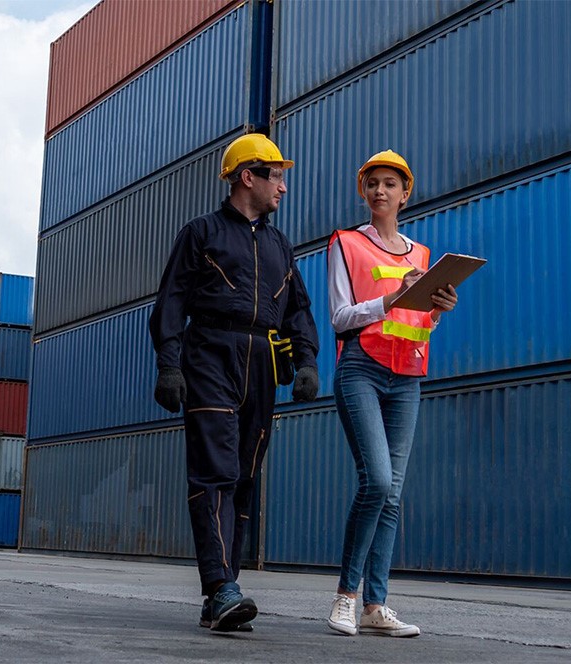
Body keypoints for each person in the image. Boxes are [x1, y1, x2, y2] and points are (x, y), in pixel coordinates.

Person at [149, 133, 320, 633]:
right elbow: (171, 302)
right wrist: (169, 365)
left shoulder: (280, 245)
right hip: (210, 356)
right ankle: (223, 586)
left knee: (243, 478)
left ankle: (220, 593)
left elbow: (298, 309)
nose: (283, 187)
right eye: (277, 176)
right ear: (248, 176)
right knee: (215, 473)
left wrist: (306, 362)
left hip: (261, 364)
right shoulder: (201, 233)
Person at [325, 150, 458, 638]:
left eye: (390, 184)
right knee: (377, 482)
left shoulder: (422, 255)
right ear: (363, 191)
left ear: (405, 194)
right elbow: (340, 318)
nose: (380, 191)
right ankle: (346, 597)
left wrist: (437, 309)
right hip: (361, 368)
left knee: (394, 495)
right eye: (373, 183)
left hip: (407, 376)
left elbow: (418, 323)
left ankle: (375, 606)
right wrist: (391, 298)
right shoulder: (346, 243)